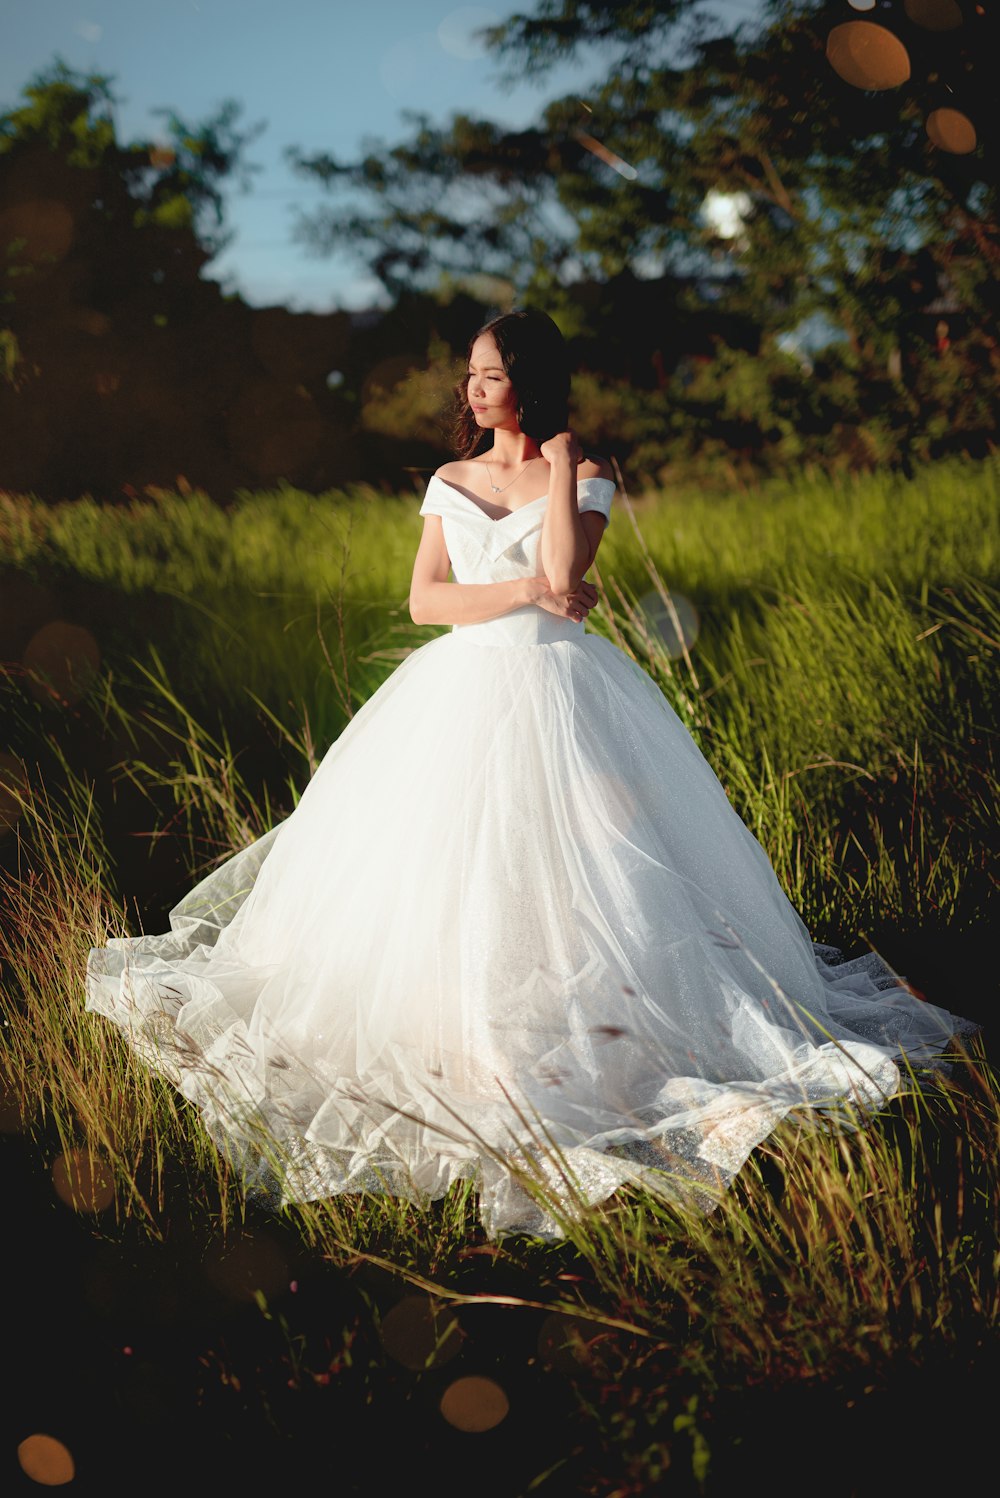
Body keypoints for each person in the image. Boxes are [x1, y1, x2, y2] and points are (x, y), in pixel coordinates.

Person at [85, 309, 977, 1239]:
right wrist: (517, 593)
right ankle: (459, 1034)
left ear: (533, 381)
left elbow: (568, 570)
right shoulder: (449, 478)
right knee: (446, 868)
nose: (475, 390)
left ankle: (590, 1031)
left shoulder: (585, 477)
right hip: (460, 692)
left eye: (493, 374)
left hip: (566, 691)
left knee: (593, 868)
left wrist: (560, 469)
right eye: (470, 374)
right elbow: (428, 600)